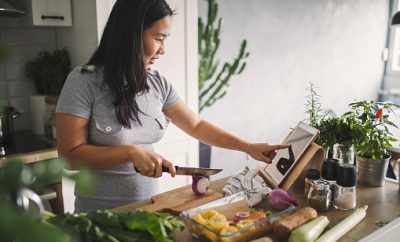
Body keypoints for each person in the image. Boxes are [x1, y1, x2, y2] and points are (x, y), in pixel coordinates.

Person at [56, 0, 289, 212]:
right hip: (98, 217)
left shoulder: (157, 83)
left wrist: (247, 147)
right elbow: (70, 156)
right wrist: (130, 152)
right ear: (131, 35)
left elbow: (196, 126)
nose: (163, 49)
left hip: (149, 210)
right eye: (158, 38)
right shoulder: (83, 82)